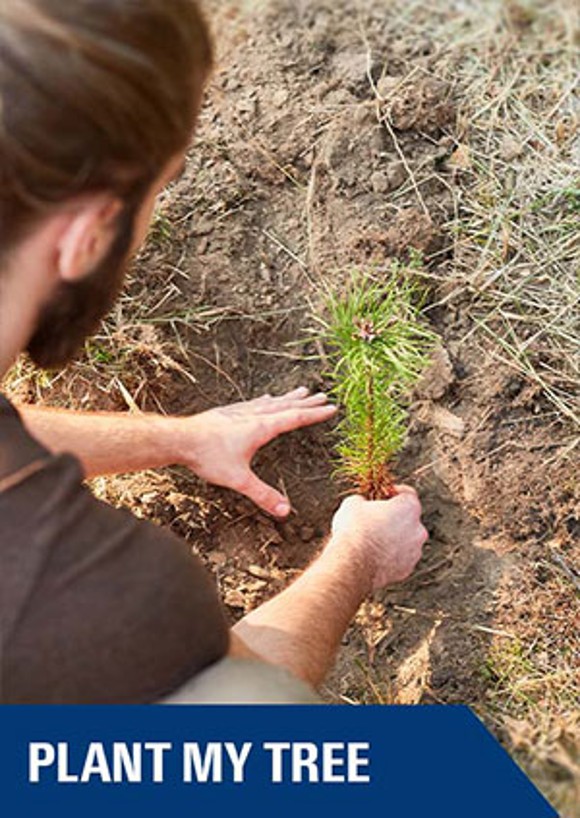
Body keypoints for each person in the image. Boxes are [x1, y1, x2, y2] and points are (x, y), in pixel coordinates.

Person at [0, 0, 428, 704]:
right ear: (89, 231)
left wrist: (182, 437)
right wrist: (359, 558)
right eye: (155, 193)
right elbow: (239, 739)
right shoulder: (97, 604)